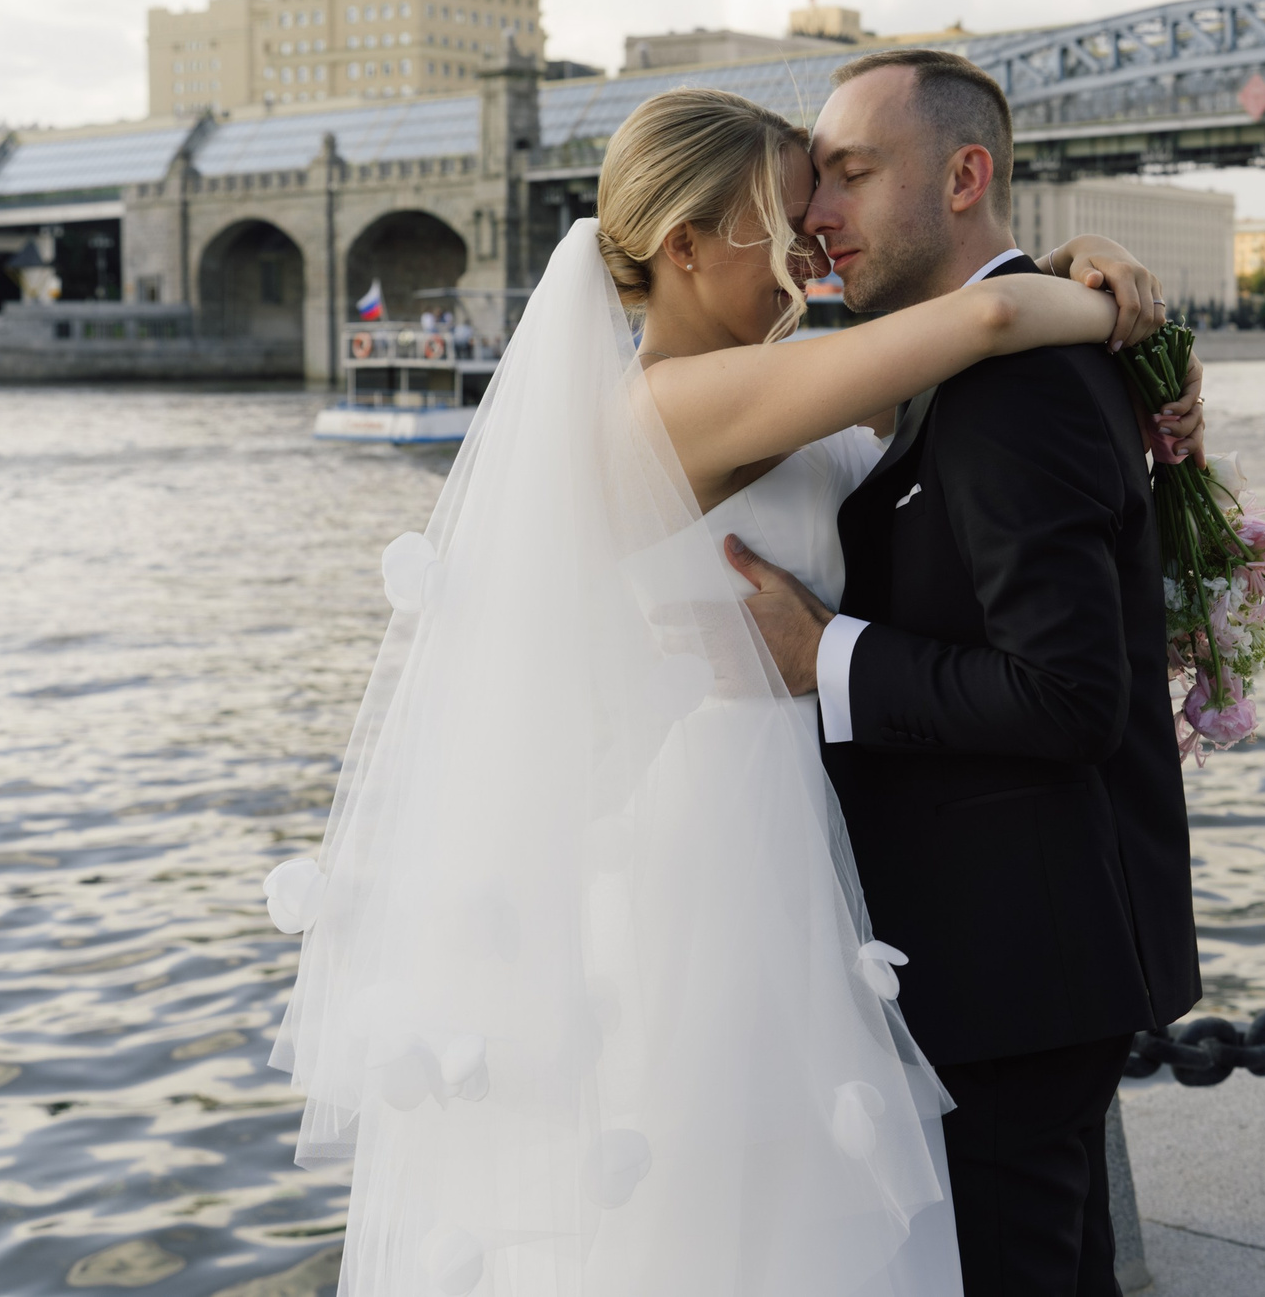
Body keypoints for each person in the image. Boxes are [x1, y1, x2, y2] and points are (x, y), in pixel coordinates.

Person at [265, 84, 1202, 1297]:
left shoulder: (783, 375)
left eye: (822, 203)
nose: (812, 241)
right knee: (718, 1207)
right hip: (705, 861)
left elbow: (933, 388)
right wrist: (1091, 296)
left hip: (819, 852)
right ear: (686, 246)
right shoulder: (666, 405)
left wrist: (1100, 268)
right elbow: (975, 328)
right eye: (781, 215)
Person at [728, 51, 1201, 1297]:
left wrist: (818, 652)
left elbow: (1067, 696)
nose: (812, 216)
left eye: (850, 173)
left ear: (963, 177)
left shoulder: (1015, 389)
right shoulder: (967, 365)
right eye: (807, 184)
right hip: (1014, 942)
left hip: (1011, 958)